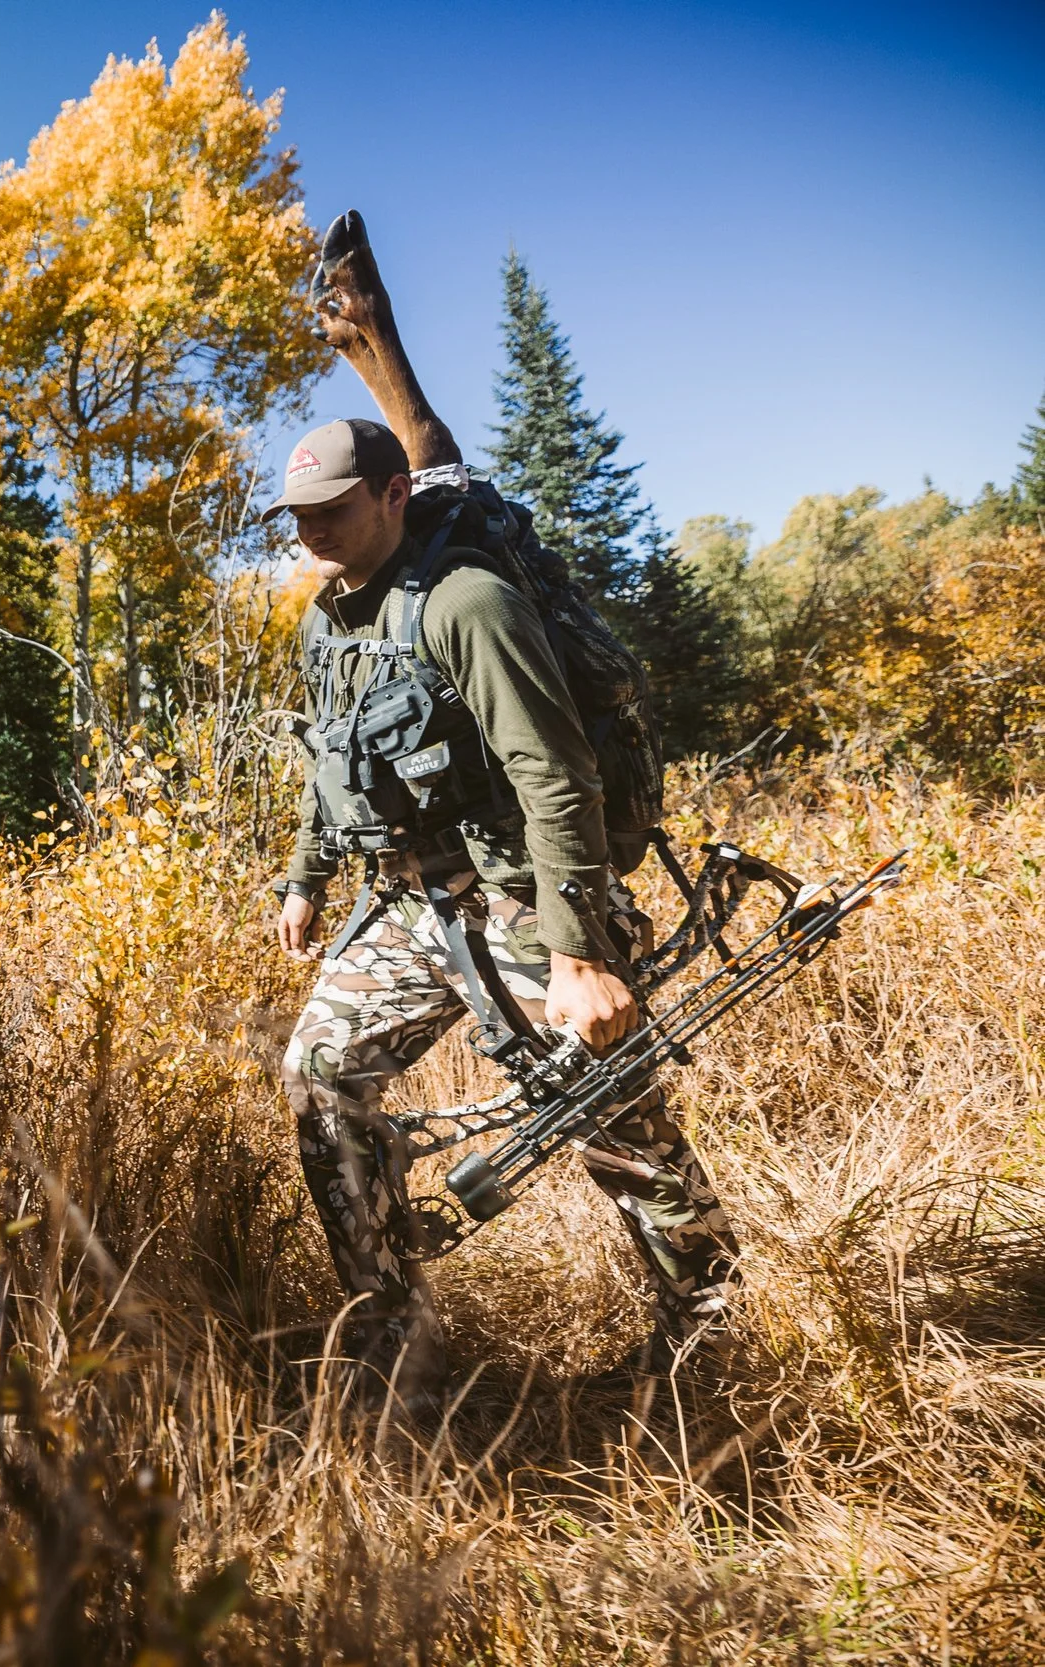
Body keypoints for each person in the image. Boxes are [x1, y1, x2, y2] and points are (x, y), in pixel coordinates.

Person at [271, 220, 741, 1395]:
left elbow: (554, 769)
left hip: (524, 890)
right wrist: (304, 875)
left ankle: (711, 1329)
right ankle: (396, 1335)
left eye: (332, 508)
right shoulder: (331, 615)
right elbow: (329, 757)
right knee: (320, 1070)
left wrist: (579, 950)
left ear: (390, 494)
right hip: (410, 898)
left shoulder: (467, 599)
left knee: (606, 1117)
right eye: (297, 516)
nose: (312, 531)